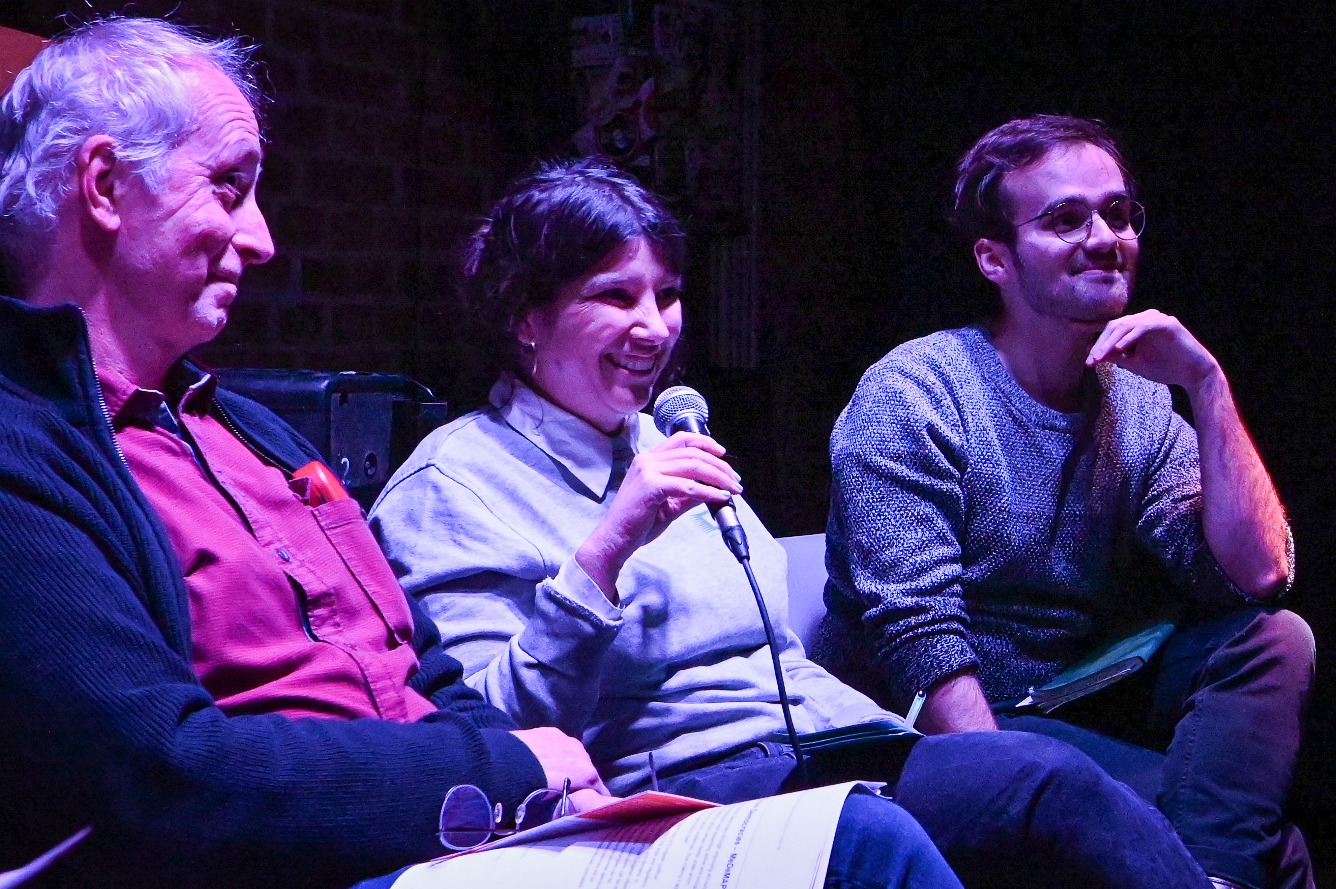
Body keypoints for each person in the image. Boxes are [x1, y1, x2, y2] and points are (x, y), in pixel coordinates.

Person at [0, 18, 969, 889]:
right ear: (106, 186)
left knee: (910, 812)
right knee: (870, 847)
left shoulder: (250, 431)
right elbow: (160, 773)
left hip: (465, 832)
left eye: (667, 294)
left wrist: (530, 781)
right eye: (230, 186)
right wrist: (507, 767)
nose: (261, 239)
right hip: (335, 856)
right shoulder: (27, 442)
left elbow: (428, 670)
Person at [370, 157, 1217, 889]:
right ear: (526, 317)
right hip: (669, 792)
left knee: (1046, 781)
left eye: (667, 295)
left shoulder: (665, 440)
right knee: (1032, 785)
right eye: (614, 295)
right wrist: (604, 552)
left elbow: (773, 652)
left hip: (823, 746)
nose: (654, 327)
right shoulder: (454, 484)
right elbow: (487, 735)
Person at [816, 114, 1314, 889]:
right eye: (1065, 219)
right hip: (926, 735)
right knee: (1266, 847)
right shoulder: (914, 393)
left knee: (1274, 639)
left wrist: (1207, 384)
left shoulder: (1138, 402)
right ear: (995, 258)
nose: (1104, 238)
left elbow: (1258, 573)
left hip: (1069, 696)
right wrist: (1012, 792)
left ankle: (1214, 879)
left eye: (1117, 213)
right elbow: (919, 638)